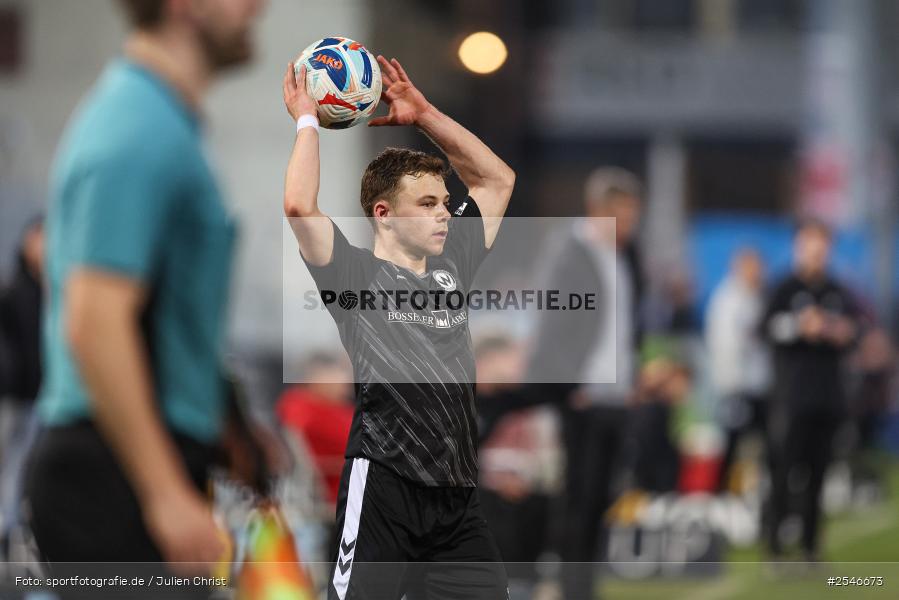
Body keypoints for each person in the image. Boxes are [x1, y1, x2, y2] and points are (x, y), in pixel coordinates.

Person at [24, 0, 265, 592]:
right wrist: (165, 495)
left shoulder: (158, 121)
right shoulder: (136, 129)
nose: (258, 6)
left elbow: (158, 312)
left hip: (132, 463)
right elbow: (95, 318)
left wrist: (228, 424)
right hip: (112, 477)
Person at [281, 52, 515, 600]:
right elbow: (298, 204)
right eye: (427, 203)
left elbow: (497, 179)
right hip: (385, 488)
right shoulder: (353, 273)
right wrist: (307, 120)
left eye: (444, 203)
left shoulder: (452, 262)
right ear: (383, 213)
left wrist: (426, 114)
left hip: (456, 505)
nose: (442, 213)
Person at [527, 167, 644, 599]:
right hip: (582, 395)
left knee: (604, 496)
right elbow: (552, 322)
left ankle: (585, 586)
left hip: (617, 393)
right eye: (625, 214)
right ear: (599, 210)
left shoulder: (627, 255)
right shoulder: (569, 253)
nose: (631, 224)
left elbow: (629, 322)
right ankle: (568, 586)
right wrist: (565, 383)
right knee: (578, 495)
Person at [761, 220, 862, 563]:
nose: (817, 252)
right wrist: (799, 326)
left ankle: (810, 547)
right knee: (783, 471)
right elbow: (765, 329)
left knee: (819, 474)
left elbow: (857, 332)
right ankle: (774, 546)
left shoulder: (838, 290)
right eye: (810, 244)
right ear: (798, 247)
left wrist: (841, 332)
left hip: (829, 396)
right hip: (791, 396)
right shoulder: (784, 288)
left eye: (822, 245)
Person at [705, 248, 771, 492]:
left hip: (760, 386)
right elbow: (726, 345)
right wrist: (731, 384)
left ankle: (759, 498)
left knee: (766, 445)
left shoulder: (761, 296)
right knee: (732, 444)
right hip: (735, 386)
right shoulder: (727, 300)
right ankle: (720, 497)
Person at [0, 217, 44, 553]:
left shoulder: (45, 293)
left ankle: (10, 525)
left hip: (34, 395)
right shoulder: (12, 290)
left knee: (21, 465)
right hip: (10, 395)